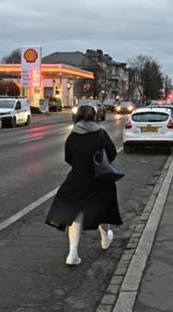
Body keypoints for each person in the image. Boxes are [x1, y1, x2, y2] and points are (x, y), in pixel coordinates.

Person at [45, 105, 122, 266]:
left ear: (78, 117)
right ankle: (105, 238)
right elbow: (112, 153)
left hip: (78, 179)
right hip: (100, 179)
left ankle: (73, 252)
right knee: (103, 207)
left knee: (76, 212)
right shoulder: (100, 133)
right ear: (94, 117)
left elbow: (68, 158)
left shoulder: (73, 135)